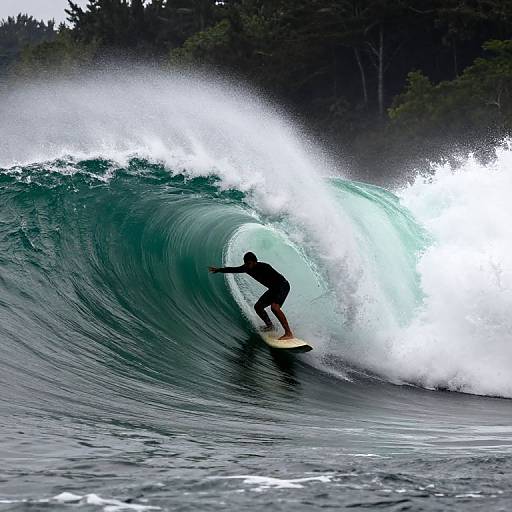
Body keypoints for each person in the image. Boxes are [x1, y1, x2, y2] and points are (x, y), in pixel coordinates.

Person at [209, 252, 294, 340]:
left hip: (282, 286)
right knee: (258, 307)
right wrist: (218, 270)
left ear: (255, 262)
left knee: (275, 308)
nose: (247, 266)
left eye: (249, 263)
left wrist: (275, 295)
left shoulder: (265, 267)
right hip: (273, 289)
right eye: (246, 263)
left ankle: (288, 333)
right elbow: (234, 269)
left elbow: (278, 280)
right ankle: (270, 326)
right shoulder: (246, 268)